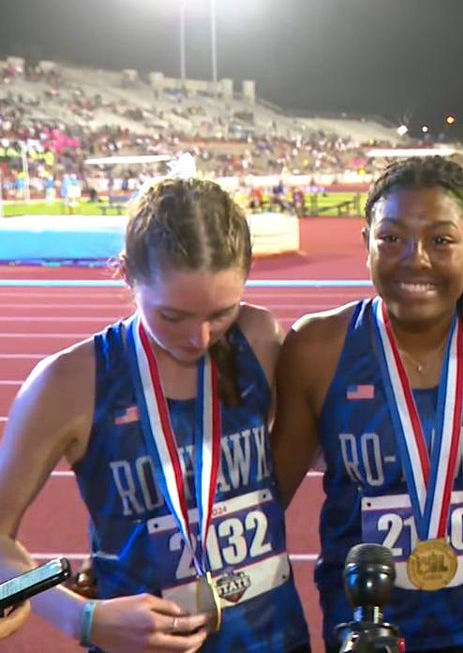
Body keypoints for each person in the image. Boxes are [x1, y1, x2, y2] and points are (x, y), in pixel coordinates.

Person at [0, 178, 311, 652]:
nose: (201, 338)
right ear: (126, 274)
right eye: (172, 316)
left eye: (221, 313)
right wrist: (81, 617)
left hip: (274, 637)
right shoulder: (69, 381)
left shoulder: (259, 339)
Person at [271, 156, 463, 651]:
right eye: (391, 238)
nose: (414, 259)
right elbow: (268, 493)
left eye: (441, 241)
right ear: (366, 245)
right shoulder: (318, 347)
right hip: (363, 628)